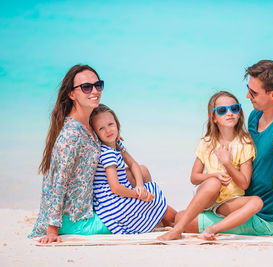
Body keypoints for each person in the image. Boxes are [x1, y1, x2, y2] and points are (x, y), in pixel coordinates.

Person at [198, 60, 273, 241]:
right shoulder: (255, 116)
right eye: (249, 89)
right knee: (182, 214)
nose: (248, 96)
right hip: (237, 202)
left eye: (254, 93)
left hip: (262, 215)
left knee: (179, 219)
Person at [159, 91, 263, 241]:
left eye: (234, 108)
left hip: (229, 203)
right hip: (208, 199)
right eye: (222, 110)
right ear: (214, 118)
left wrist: (227, 163)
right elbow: (194, 178)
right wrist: (213, 175)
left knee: (256, 202)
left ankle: (212, 229)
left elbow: (244, 183)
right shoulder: (207, 143)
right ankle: (178, 230)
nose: (229, 113)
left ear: (239, 113)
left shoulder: (245, 143)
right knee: (213, 183)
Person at [29, 65, 111, 242]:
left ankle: (178, 222)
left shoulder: (89, 127)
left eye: (98, 85)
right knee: (154, 213)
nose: (95, 91)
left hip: (88, 210)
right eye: (87, 87)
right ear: (72, 94)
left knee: (146, 186)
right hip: (72, 221)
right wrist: (52, 230)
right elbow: (59, 182)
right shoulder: (71, 135)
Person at [89, 104, 176, 234]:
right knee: (166, 211)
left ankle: (162, 223)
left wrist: (140, 186)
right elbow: (115, 188)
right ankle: (178, 223)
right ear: (95, 134)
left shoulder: (116, 144)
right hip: (113, 203)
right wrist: (138, 195)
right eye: (101, 128)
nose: (108, 131)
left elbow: (133, 164)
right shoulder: (107, 153)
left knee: (152, 195)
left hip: (117, 196)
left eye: (111, 124)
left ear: (117, 125)